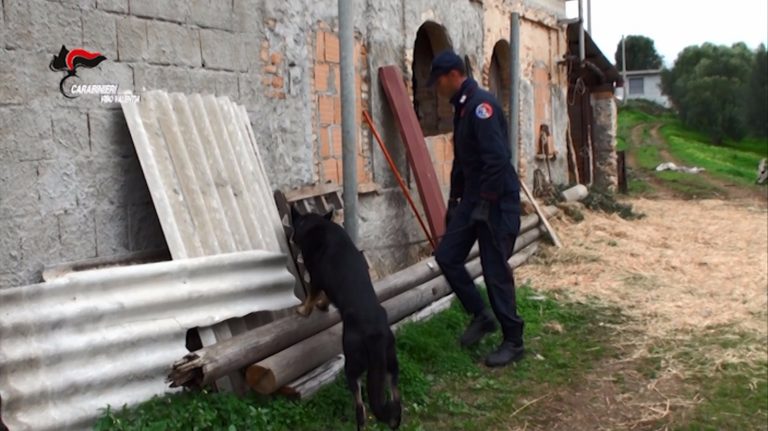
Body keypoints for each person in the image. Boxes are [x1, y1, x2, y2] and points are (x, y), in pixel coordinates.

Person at [429, 50, 525, 367]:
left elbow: (498, 160)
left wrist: (484, 201)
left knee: (495, 269)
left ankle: (514, 340)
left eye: (439, 81)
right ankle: (482, 316)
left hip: (497, 200)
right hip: (474, 198)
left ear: (453, 75)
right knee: (447, 256)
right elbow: (463, 161)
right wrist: (455, 202)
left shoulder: (482, 106)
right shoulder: (462, 108)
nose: (437, 88)